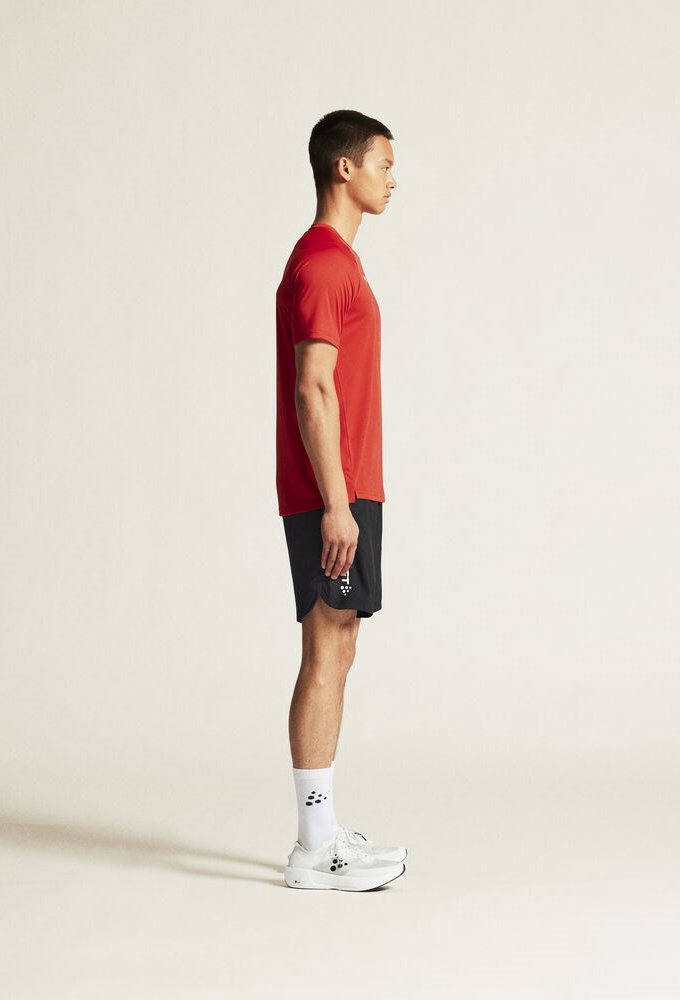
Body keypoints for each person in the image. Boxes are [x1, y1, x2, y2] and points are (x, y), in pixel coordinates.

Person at [275, 109, 406, 891]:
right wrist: (336, 503)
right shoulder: (325, 265)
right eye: (384, 164)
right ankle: (313, 848)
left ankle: (323, 832)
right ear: (344, 169)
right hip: (334, 491)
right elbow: (312, 387)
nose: (393, 179)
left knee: (339, 641)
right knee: (327, 646)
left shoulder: (335, 262)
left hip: (348, 487)